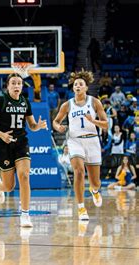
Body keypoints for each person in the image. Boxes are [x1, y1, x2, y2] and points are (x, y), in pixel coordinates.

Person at [0, 73, 47, 227]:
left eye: (19, 83)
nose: (17, 86)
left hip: (21, 143)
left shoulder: (25, 102)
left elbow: (31, 125)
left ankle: (25, 214)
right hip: (3, 145)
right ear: (8, 86)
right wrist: (1, 134)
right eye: (13, 83)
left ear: (22, 86)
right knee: (9, 186)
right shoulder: (1, 101)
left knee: (24, 176)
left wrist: (38, 126)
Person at [53, 70, 108, 220]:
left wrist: (94, 121)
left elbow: (106, 125)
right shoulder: (67, 105)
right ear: (73, 88)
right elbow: (56, 121)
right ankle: (81, 208)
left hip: (92, 141)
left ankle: (94, 190)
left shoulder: (95, 102)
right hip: (75, 140)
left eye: (81, 84)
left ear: (86, 87)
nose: (78, 86)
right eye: (75, 84)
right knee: (78, 171)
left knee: (96, 182)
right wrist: (58, 127)